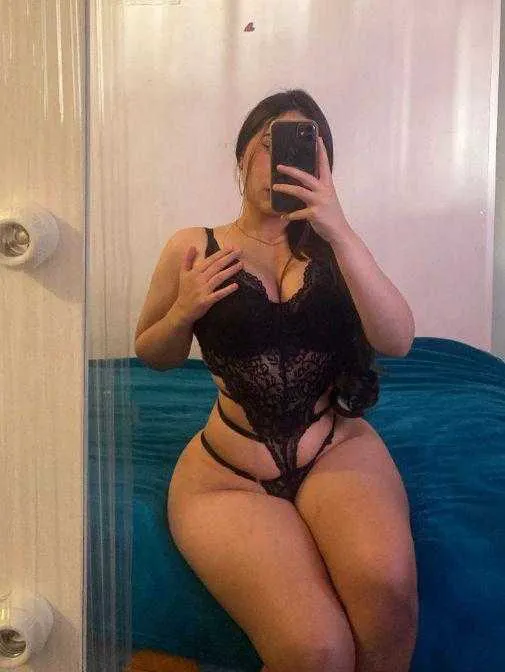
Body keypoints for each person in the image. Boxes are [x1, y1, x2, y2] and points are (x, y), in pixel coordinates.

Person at [135, 89, 419, 672]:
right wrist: (183, 312)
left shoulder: (336, 246)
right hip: (228, 476)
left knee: (387, 594)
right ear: (241, 156)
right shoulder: (192, 246)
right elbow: (153, 353)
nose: (280, 159)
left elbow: (397, 341)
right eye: (268, 143)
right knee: (316, 651)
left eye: (302, 146)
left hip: (334, 449)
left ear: (324, 165)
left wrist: (340, 230)